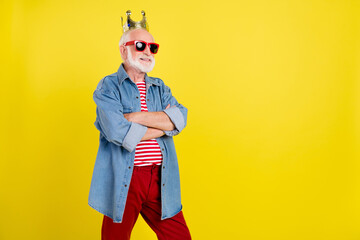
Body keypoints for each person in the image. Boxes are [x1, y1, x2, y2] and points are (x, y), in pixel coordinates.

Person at [88, 10, 191, 240]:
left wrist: (134, 116)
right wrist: (162, 126)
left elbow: (180, 118)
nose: (147, 52)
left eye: (152, 47)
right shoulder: (108, 87)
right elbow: (117, 132)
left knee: (179, 237)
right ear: (123, 49)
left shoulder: (160, 87)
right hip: (126, 177)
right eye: (140, 45)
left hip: (160, 178)